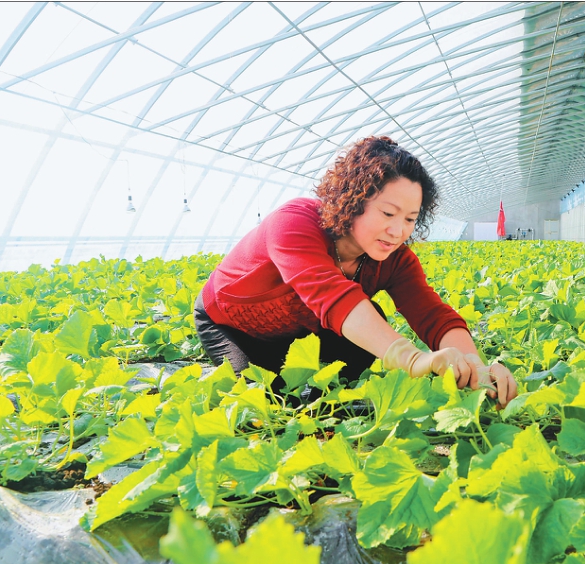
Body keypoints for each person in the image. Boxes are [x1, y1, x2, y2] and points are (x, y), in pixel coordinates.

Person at [193, 135, 518, 408]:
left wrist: (475, 365)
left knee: (367, 324)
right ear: (352, 199)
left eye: (409, 219)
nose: (397, 231)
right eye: (388, 212)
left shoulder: (395, 260)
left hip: (300, 334)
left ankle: (325, 409)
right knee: (264, 411)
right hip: (233, 327)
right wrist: (413, 359)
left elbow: (431, 314)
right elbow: (334, 297)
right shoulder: (294, 224)